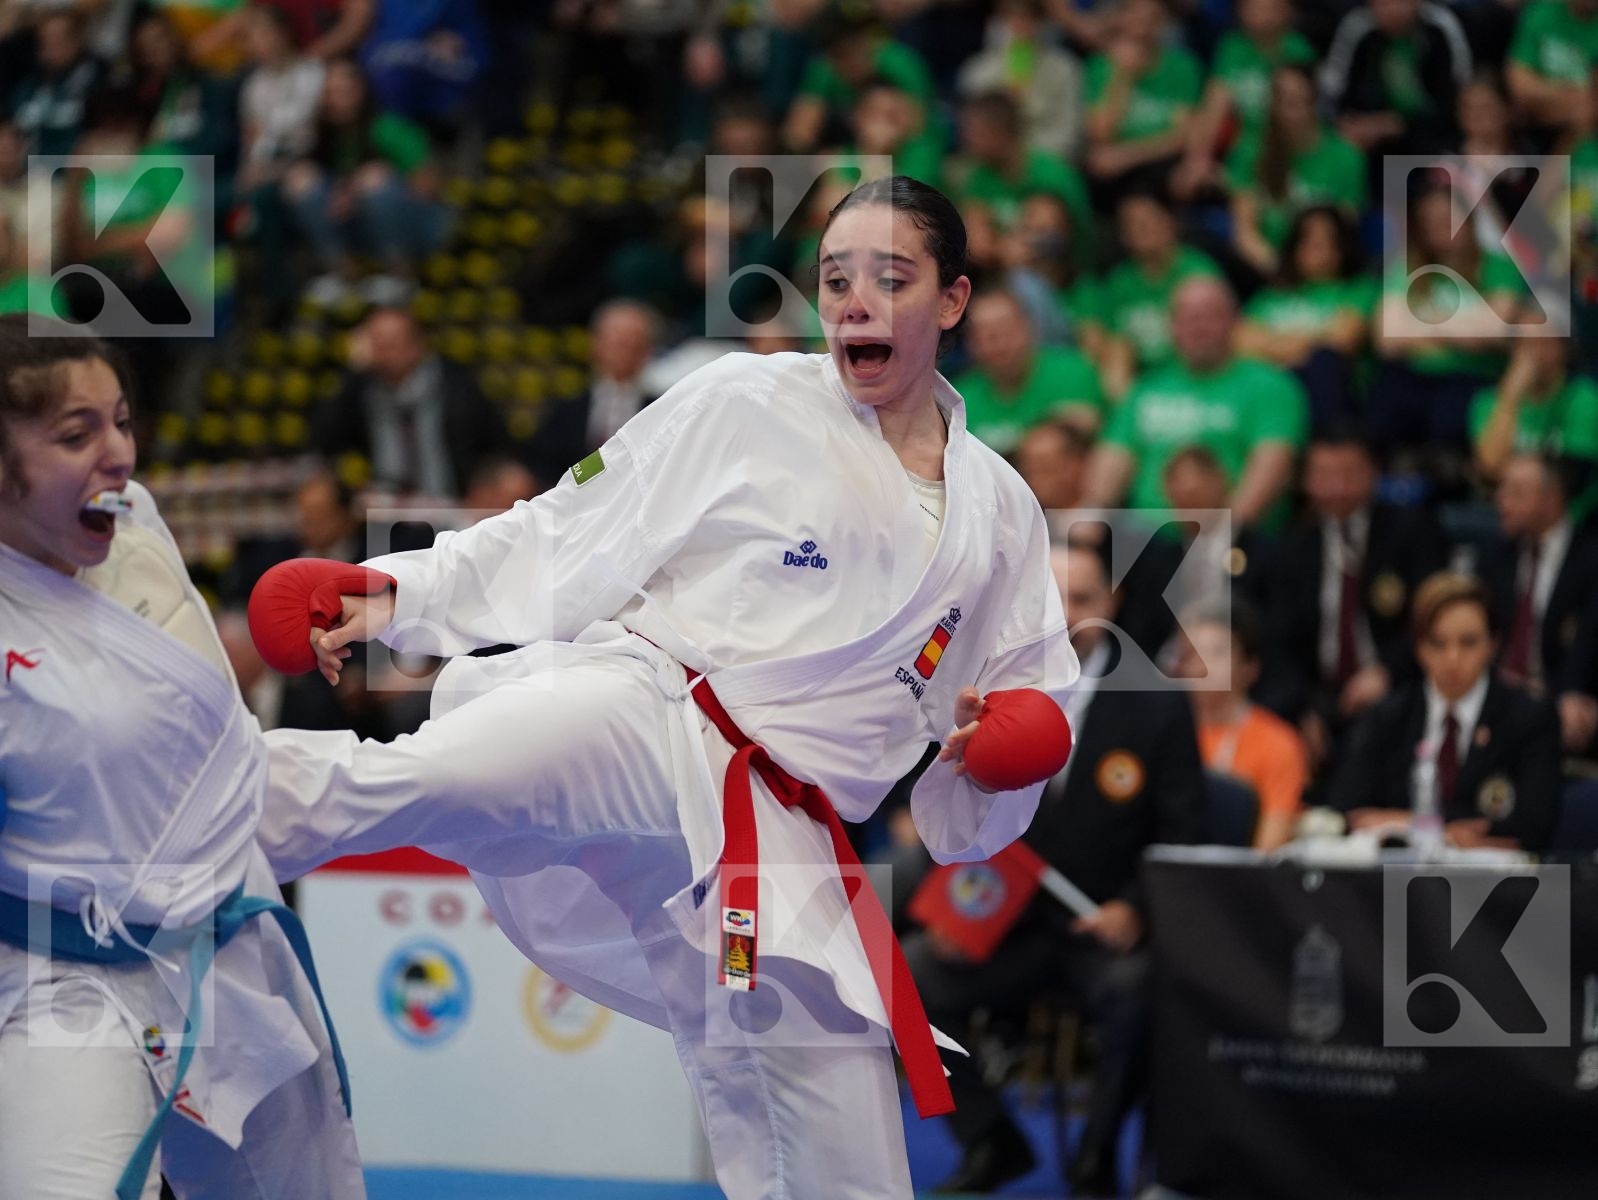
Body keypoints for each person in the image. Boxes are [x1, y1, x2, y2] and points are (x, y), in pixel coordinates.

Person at [249, 176, 1079, 1200]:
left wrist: (994, 758)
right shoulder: (747, 401)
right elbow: (562, 528)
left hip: (785, 838)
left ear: (952, 300)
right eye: (835, 280)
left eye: (891, 279)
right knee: (439, 776)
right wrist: (394, 591)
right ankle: (200, 812)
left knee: (849, 1157)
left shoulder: (1001, 512)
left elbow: (1022, 704)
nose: (855, 303)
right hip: (650, 710)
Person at [0, 317, 362, 1199]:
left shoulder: (133, 520)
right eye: (75, 435)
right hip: (61, 972)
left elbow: (207, 738)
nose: (118, 454)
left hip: (225, 922)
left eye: (122, 421)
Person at [907, 541, 1202, 1196]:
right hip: (1004, 923)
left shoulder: (1154, 701)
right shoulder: (985, 687)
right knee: (910, 975)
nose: (1065, 615)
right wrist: (951, 906)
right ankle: (988, 1140)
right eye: (1052, 598)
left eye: (1082, 599)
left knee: (1136, 990)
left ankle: (1098, 1158)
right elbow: (950, 801)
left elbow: (1182, 833)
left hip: (1102, 930)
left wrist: (1135, 909)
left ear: (1112, 605)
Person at [1329, 571, 1562, 852]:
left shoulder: (1529, 718)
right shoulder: (1387, 717)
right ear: (1419, 648)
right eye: (1438, 643)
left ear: (1493, 644)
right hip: (1397, 877)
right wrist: (1453, 829)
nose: (1453, 659)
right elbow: (1349, 810)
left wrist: (1402, 821)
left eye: (1468, 642)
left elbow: (1533, 827)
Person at [1172, 601, 1309, 850]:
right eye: (1190, 653)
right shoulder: (1160, 735)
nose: (1201, 666)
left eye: (1216, 653)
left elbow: (1268, 850)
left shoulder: (1278, 743)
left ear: (1250, 667)